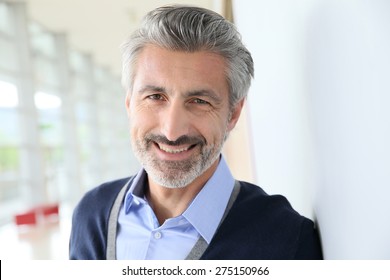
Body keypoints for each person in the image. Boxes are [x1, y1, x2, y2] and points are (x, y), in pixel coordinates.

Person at [69, 5, 322, 260]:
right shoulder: (91, 214)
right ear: (129, 104)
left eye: (200, 101)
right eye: (155, 96)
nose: (171, 130)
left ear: (233, 114)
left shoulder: (286, 239)